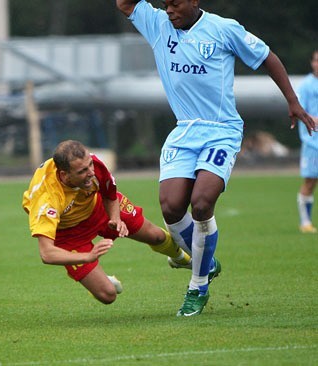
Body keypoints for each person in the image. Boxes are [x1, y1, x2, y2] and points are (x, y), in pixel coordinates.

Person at [116, 0, 316, 316]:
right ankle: (207, 263)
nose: (169, 10)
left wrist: (292, 102)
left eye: (176, 4)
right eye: (165, 3)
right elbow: (124, 3)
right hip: (184, 131)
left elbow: (268, 57)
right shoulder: (158, 25)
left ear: (195, 1)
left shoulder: (224, 29)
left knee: (202, 202)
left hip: (221, 130)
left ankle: (197, 286)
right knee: (170, 207)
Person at [21, 140, 216, 305]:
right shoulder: (46, 200)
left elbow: (109, 194)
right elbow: (46, 253)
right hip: (68, 233)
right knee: (108, 296)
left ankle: (184, 260)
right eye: (82, 171)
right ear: (64, 175)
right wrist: (88, 257)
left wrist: (115, 219)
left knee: (156, 236)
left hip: (98, 207)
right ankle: (100, 279)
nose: (91, 172)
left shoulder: (94, 165)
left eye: (90, 165)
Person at [296, 50, 318, 234]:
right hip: (313, 143)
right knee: (310, 181)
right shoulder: (306, 86)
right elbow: (301, 111)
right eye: (317, 60)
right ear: (312, 63)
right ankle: (305, 222)